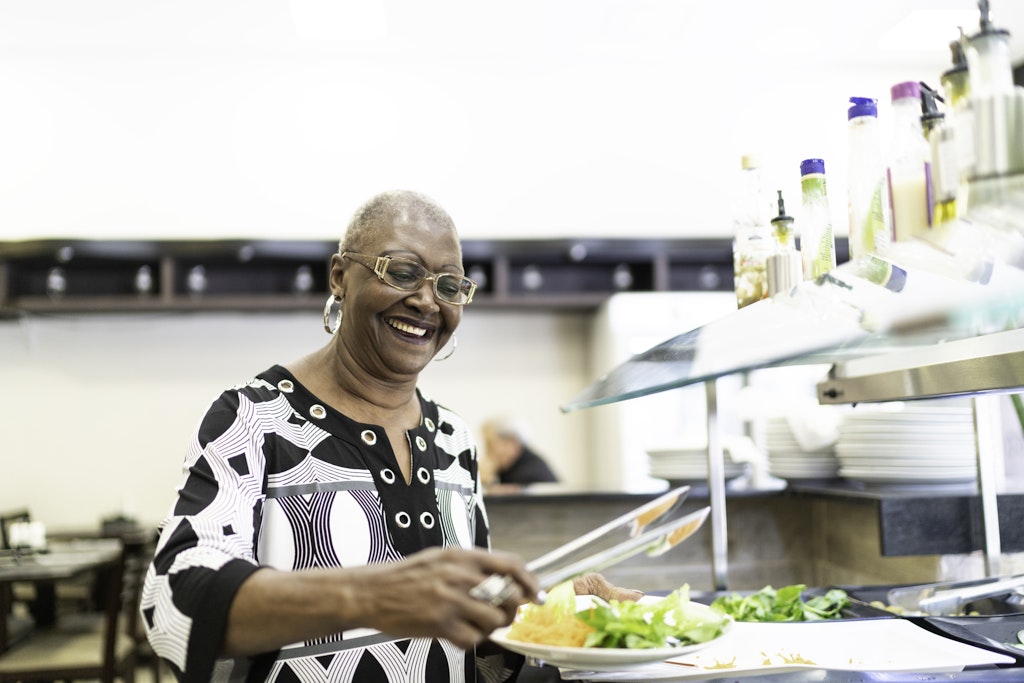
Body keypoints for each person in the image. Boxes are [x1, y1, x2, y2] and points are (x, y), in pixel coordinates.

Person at [140, 190, 641, 682]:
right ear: (339, 276)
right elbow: (174, 601)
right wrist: (371, 596)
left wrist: (546, 611)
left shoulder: (452, 438)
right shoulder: (254, 417)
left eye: (449, 286)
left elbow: (475, 655)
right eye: (401, 273)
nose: (426, 301)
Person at [480, 416, 559, 492]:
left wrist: (489, 482)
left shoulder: (529, 474)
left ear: (511, 443)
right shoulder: (512, 468)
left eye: (490, 445)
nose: (487, 452)